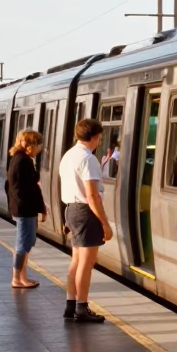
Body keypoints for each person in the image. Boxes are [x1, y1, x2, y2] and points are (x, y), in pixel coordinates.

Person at [59, 118, 112, 322]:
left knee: (76, 261)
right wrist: (105, 224)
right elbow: (92, 195)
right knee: (86, 264)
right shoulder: (88, 159)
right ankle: (82, 307)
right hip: (86, 212)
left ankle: (70, 305)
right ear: (95, 137)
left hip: (72, 210)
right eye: (99, 138)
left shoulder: (69, 155)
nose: (99, 142)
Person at [6, 129, 46, 289]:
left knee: (26, 243)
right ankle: (17, 278)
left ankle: (23, 276)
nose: (40, 149)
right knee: (23, 244)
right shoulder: (23, 161)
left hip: (22, 208)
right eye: (38, 145)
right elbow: (27, 189)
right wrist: (39, 207)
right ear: (30, 145)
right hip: (25, 209)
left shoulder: (18, 159)